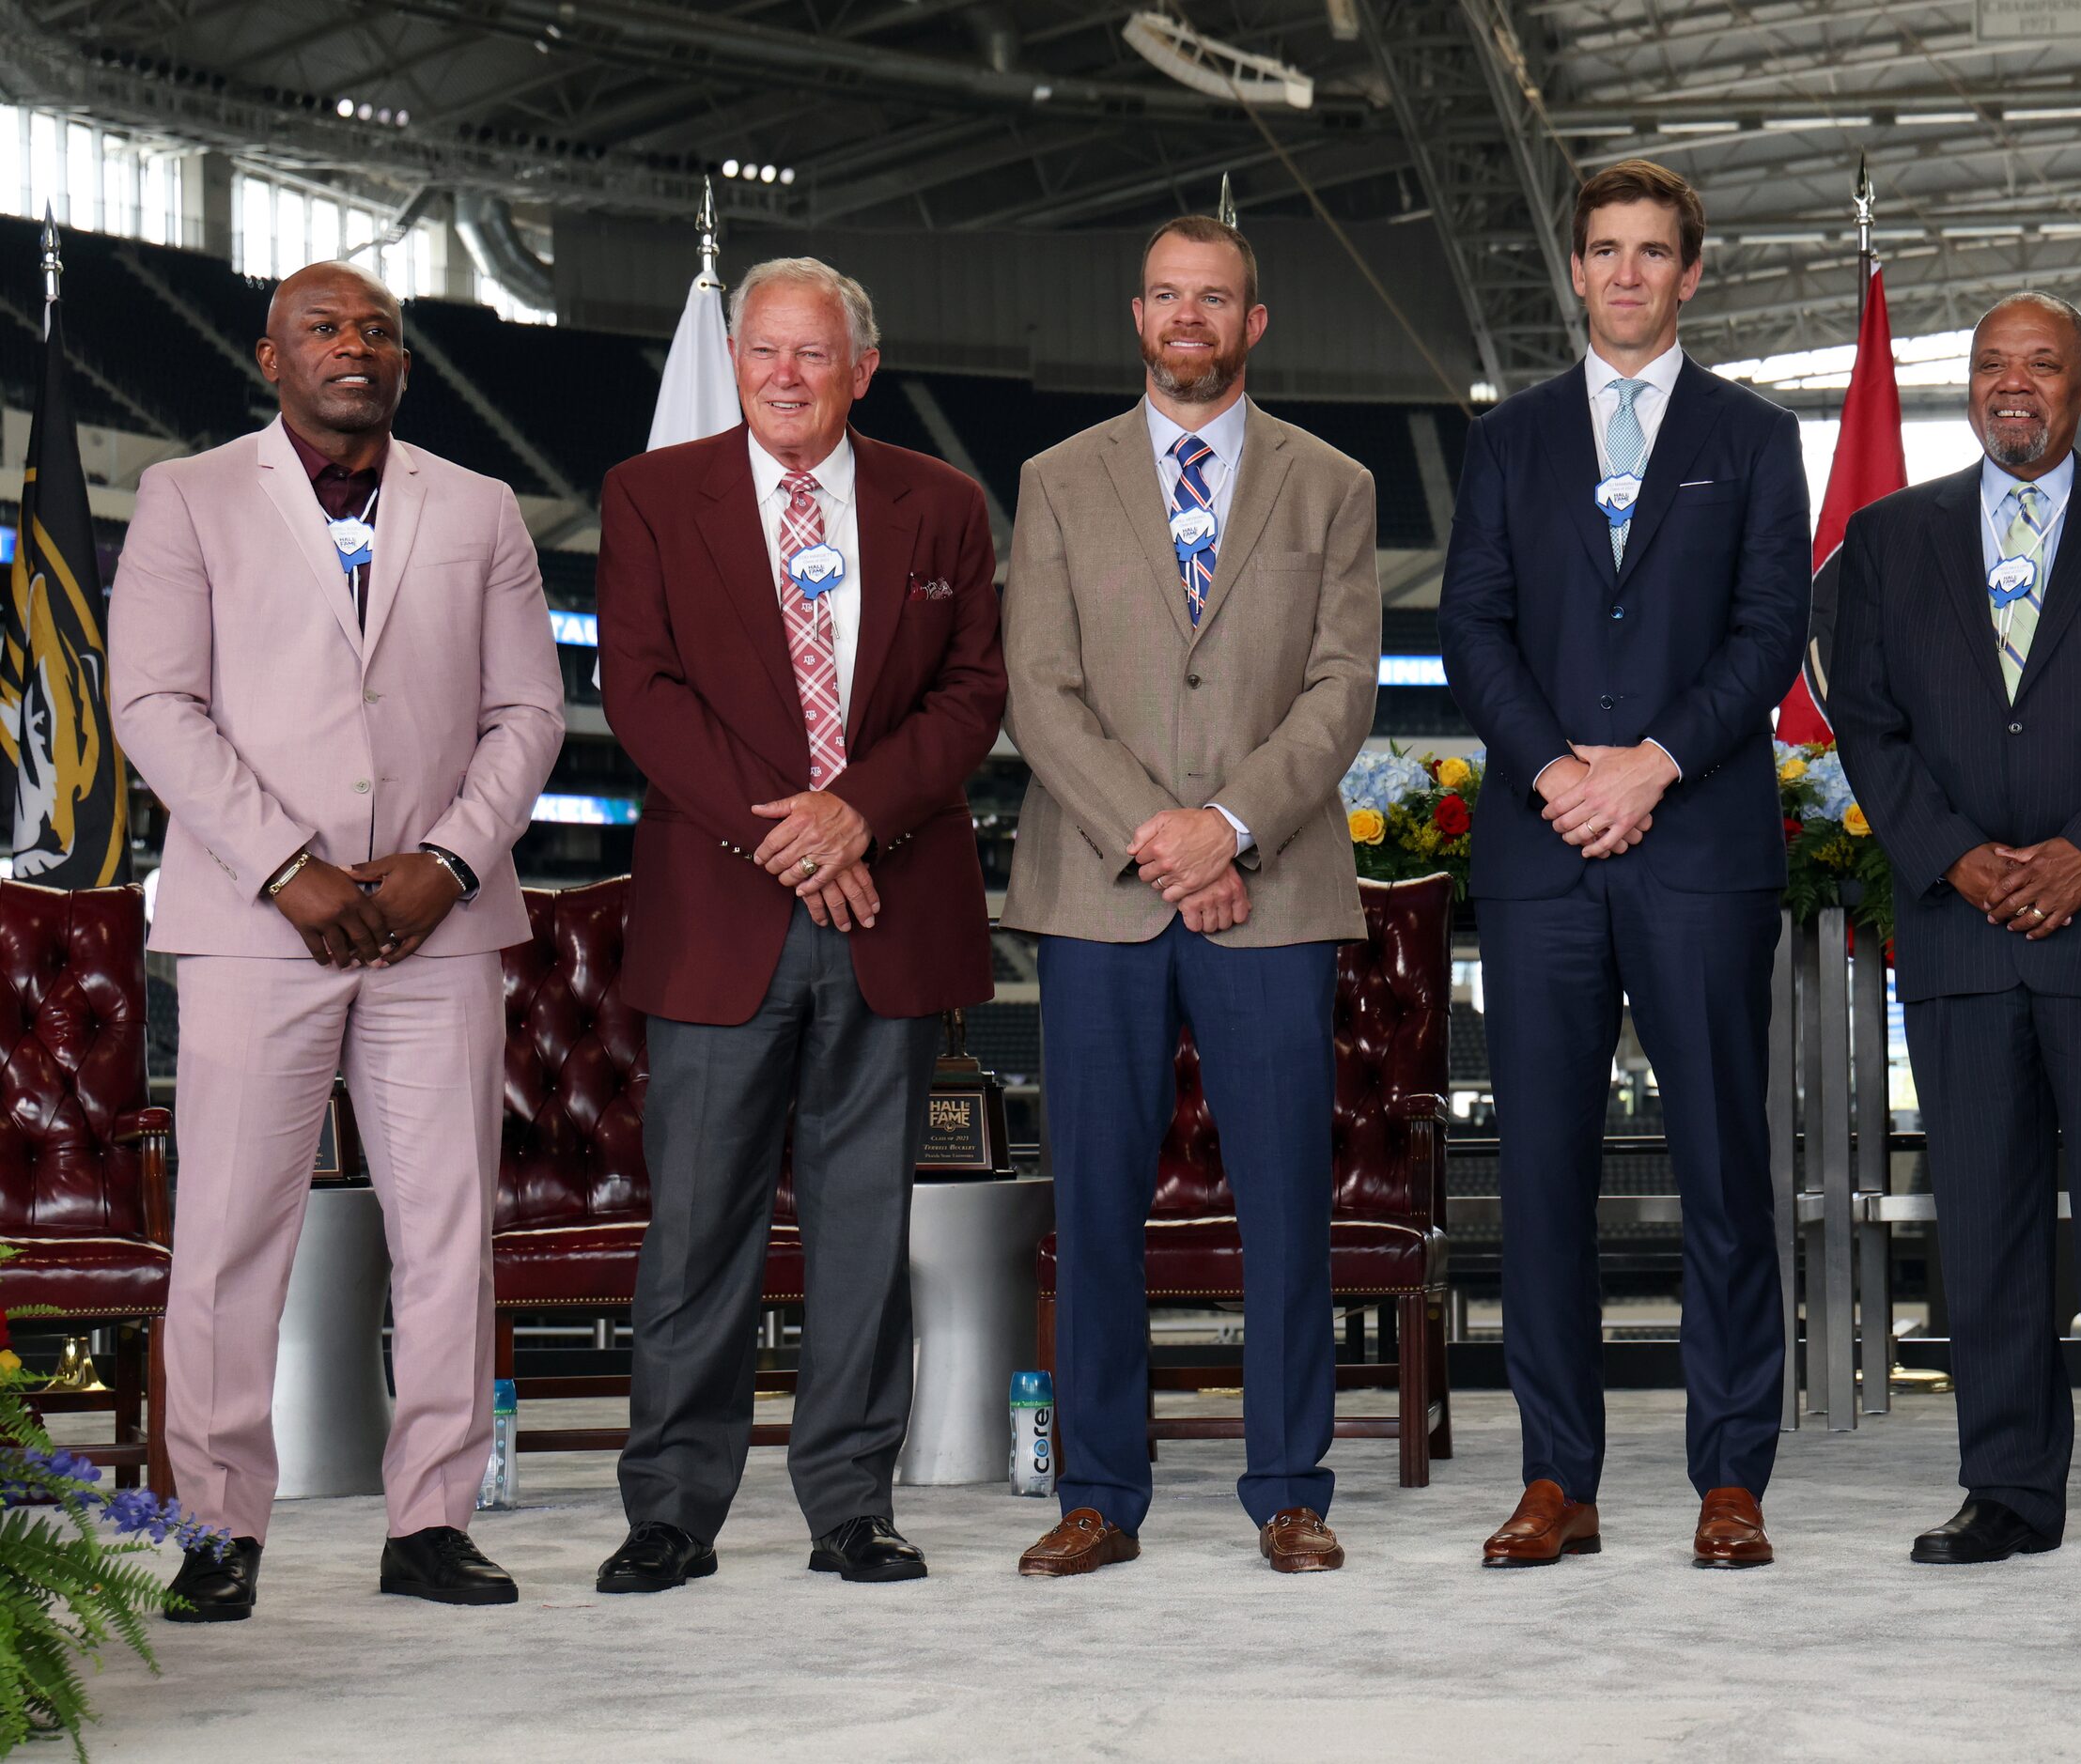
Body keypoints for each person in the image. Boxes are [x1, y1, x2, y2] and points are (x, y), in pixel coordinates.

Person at [111, 261, 565, 1618]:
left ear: (404, 367)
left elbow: (529, 715)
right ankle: (216, 1526)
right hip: (260, 927)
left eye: (377, 329)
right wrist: (291, 869)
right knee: (231, 1236)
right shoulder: (188, 498)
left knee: (447, 1233)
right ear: (272, 357)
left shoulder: (480, 508)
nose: (354, 345)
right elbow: (153, 703)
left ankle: (429, 1518)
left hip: (440, 922)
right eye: (325, 327)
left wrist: (446, 858)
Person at [592, 257, 1006, 1594]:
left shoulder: (939, 503)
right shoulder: (652, 495)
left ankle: (850, 1504)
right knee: (698, 1227)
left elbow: (969, 695)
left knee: (861, 1228)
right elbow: (641, 691)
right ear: (734, 355)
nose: (785, 374)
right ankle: (669, 1507)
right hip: (724, 910)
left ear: (860, 370)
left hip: (887, 904)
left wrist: (856, 814)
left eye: (813, 354)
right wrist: (793, 832)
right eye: (764, 350)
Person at [1823, 293, 2081, 1568]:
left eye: (2042, 365)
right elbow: (1870, 725)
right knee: (1986, 1226)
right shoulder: (1888, 542)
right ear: (1971, 386)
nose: (2016, 385)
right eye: (1995, 365)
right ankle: (2004, 1485)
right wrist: (1951, 853)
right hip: (1961, 932)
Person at [1441, 159, 1810, 1570]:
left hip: (1697, 846)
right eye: (1605, 250)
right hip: (1544, 858)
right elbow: (1475, 626)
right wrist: (1554, 773)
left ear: (1692, 272)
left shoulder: (1755, 437)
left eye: (1655, 252)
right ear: (1577, 269)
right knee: (1540, 1176)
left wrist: (1651, 764)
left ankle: (1731, 1476)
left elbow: (1769, 631)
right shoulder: (1510, 439)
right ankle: (1557, 1479)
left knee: (1721, 1167)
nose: (1628, 273)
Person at [1002, 215, 1379, 1578]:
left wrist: (1227, 829)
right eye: (1166, 296)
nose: (1188, 318)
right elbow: (1037, 687)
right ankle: (1101, 1490)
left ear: (1253, 322)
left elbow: (1343, 687)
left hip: (1270, 890)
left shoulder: (1333, 481)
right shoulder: (1057, 477)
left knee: (1288, 1201)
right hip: (1100, 887)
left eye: (1214, 299)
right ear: (1138, 313)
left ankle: (1288, 1485)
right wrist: (1157, 838)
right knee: (1095, 1201)